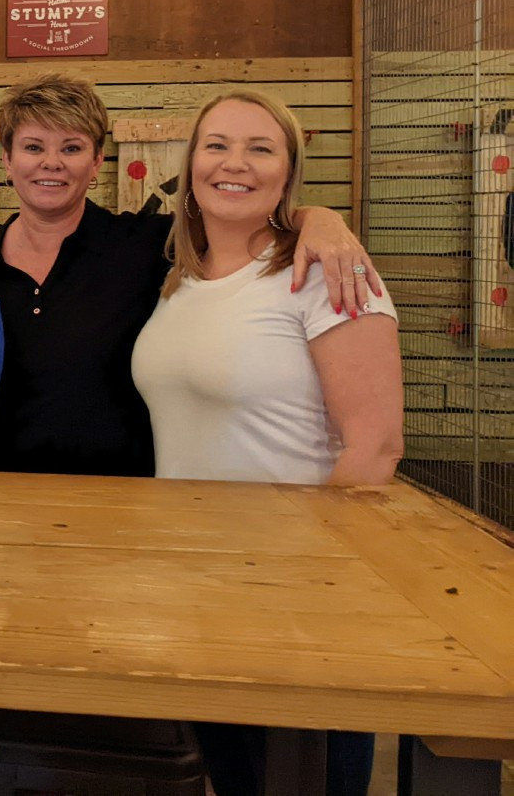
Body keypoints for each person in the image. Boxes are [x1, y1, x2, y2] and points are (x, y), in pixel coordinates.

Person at [131, 89, 403, 796]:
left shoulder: (326, 275)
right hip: (198, 587)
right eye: (217, 144)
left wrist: (312, 587)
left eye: (261, 148)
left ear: (289, 172)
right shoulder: (178, 281)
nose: (235, 163)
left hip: (297, 599)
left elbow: (375, 448)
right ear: (190, 164)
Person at [0, 73, 379, 478]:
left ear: (97, 161)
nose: (52, 163)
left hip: (129, 504)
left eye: (72, 148)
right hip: (0, 498)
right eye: (34, 147)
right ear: (7, 159)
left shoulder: (146, 245)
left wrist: (317, 219)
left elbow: (234, 216)